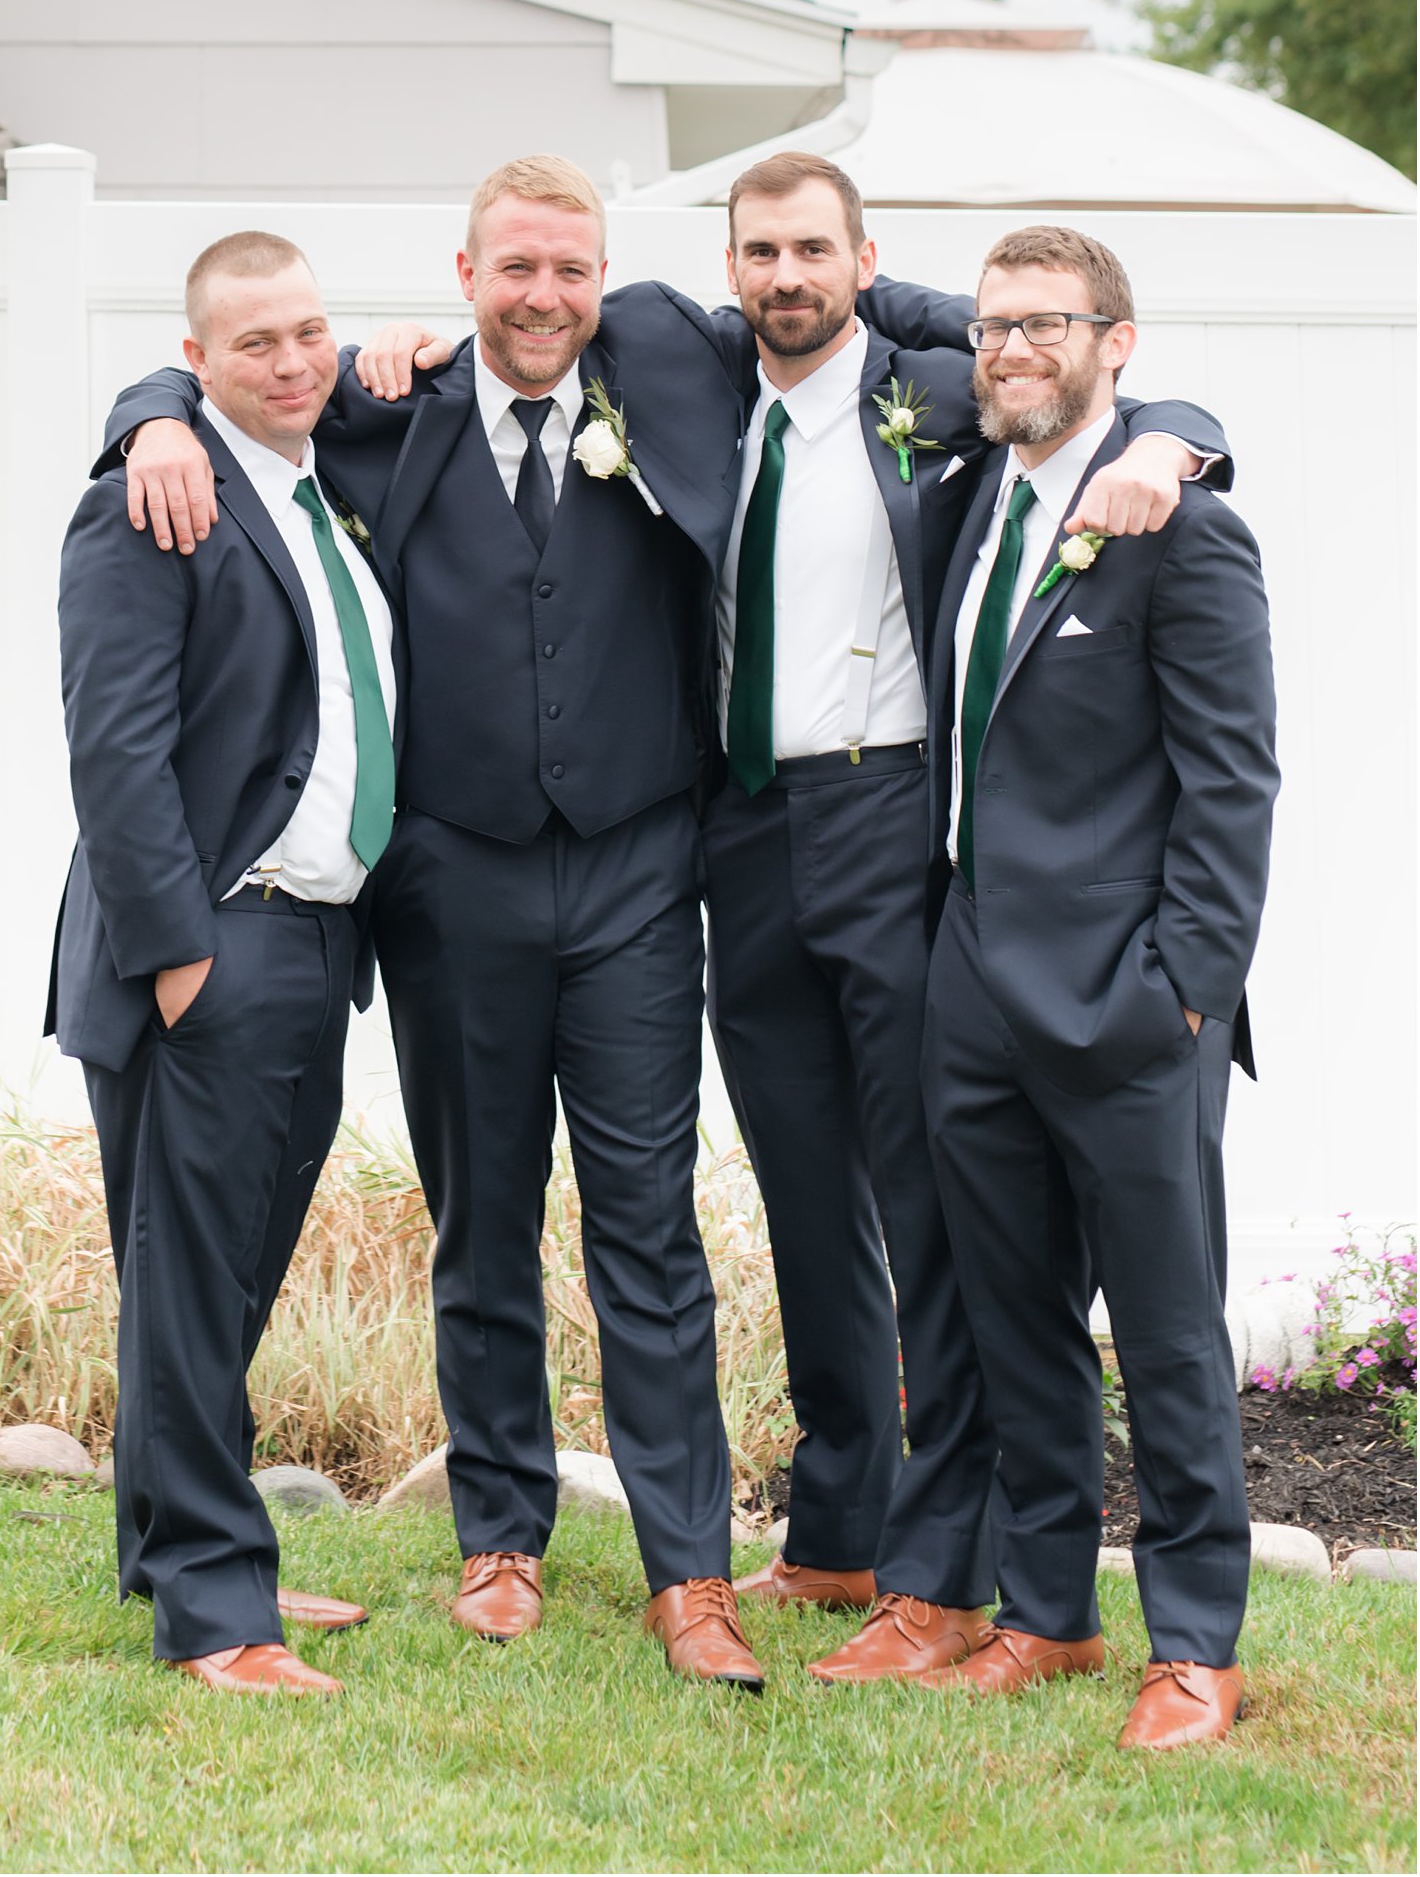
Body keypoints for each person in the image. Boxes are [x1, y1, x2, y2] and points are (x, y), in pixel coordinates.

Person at [105, 156, 1227, 1685]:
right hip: (484, 881)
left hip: (684, 867)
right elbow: (235, 380)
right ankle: (504, 1531)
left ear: (612, 278)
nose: (544, 296)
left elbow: (980, 336)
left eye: (571, 270)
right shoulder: (388, 407)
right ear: (465, 273)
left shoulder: (723, 364)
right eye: (514, 271)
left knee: (682, 1223)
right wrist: (148, 411)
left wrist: (1180, 431)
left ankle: (694, 1570)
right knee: (501, 1217)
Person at [910, 226, 1277, 1748]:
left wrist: (1186, 987)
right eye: (994, 325)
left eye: (1045, 325)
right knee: (1017, 1319)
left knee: (1170, 1328)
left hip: (1131, 1002)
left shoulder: (1176, 524)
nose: (1009, 348)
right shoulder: (972, 491)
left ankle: (1193, 1639)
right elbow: (861, 296)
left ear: (1117, 343)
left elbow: (1235, 779)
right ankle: (1050, 1612)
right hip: (972, 982)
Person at [51, 232, 400, 1695]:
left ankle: (167, 1541)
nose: (295, 360)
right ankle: (213, 1605)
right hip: (213, 942)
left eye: (311, 330)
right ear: (198, 359)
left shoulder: (326, 484)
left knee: (225, 1277)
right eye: (256, 342)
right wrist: (183, 959)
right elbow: (115, 751)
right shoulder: (151, 498)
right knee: (195, 1281)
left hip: (317, 943)